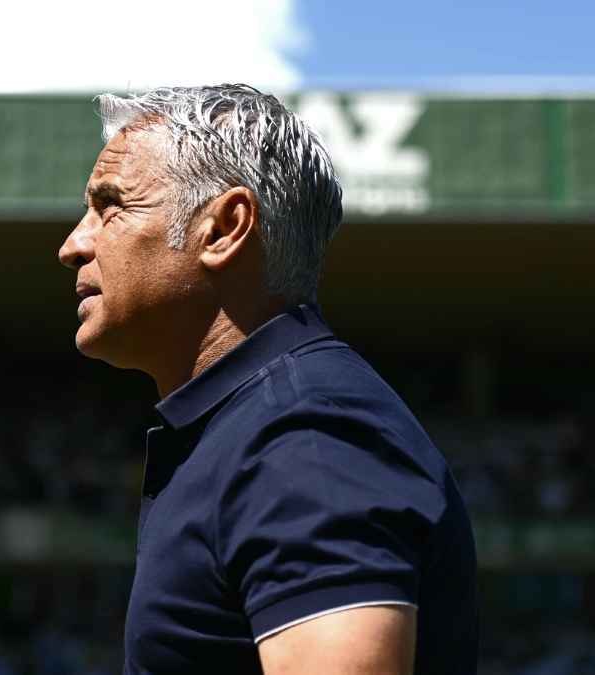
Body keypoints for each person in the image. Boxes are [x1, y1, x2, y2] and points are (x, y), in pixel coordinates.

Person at [58, 84, 477, 675]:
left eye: (111, 206)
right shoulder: (251, 426)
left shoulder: (306, 437)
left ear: (225, 228)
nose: (73, 245)